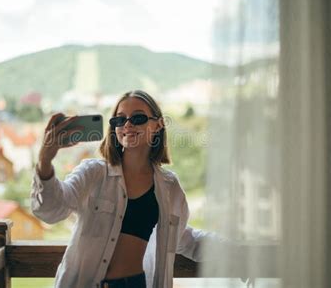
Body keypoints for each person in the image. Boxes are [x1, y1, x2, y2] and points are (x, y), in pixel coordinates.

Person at [31, 90, 217, 288]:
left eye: (138, 118)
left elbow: (183, 239)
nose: (127, 125)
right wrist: (45, 160)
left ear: (158, 125)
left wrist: (242, 253)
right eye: (119, 120)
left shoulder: (169, 186)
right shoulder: (93, 173)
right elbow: (50, 210)